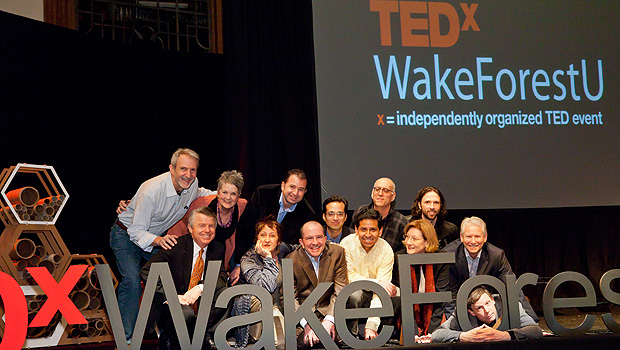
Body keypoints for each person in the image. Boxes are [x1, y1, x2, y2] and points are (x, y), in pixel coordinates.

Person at [110, 148, 215, 342]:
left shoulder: (192, 184)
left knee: (172, 275)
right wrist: (158, 241)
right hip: (126, 234)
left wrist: (226, 195)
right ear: (171, 169)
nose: (188, 175)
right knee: (132, 281)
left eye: (193, 170)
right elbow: (136, 231)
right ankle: (125, 339)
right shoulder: (151, 191)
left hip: (154, 237)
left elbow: (202, 193)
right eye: (183, 169)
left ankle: (163, 330)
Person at [140, 207, 228, 350]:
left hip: (201, 303)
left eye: (211, 226)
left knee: (225, 294)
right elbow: (146, 271)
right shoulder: (175, 245)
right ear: (190, 229)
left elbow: (221, 277)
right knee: (185, 315)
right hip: (173, 304)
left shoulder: (217, 248)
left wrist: (200, 288)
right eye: (201, 225)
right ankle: (174, 339)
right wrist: (173, 296)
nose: (207, 230)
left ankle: (206, 338)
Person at [446, 217, 538, 321]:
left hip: (485, 308)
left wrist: (532, 321)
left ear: (485, 237)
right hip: (459, 305)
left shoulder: (496, 255)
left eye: (477, 236)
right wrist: (453, 324)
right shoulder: (449, 254)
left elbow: (512, 287)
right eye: (468, 236)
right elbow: (450, 294)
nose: (473, 241)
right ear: (461, 237)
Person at [231, 169, 315, 284]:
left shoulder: (307, 214)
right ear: (283, 185)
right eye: (292, 187)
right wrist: (238, 264)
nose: (295, 193)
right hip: (250, 251)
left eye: (300, 190)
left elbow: (294, 247)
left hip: (280, 257)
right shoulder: (263, 194)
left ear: (305, 191)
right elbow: (244, 229)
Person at [230, 216, 293, 348]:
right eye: (262, 235)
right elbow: (265, 288)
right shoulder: (248, 259)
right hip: (253, 308)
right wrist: (268, 258)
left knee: (286, 341)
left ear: (279, 240)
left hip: (277, 306)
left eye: (272, 235)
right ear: (256, 238)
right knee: (278, 341)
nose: (267, 239)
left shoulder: (283, 250)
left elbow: (300, 246)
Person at [167, 170, 247, 272]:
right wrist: (175, 247)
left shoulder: (242, 206)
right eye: (224, 192)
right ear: (218, 192)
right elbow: (180, 221)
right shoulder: (202, 203)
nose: (228, 197)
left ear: (239, 194)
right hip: (195, 250)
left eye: (233, 194)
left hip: (221, 253)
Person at [287, 221, 348, 348]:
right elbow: (289, 299)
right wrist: (308, 324)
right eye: (309, 238)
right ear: (301, 242)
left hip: (329, 311)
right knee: (303, 343)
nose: (315, 242)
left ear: (325, 239)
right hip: (304, 315)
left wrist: (330, 319)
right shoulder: (290, 260)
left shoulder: (338, 253)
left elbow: (341, 289)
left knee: (336, 340)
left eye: (319, 237)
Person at [340, 208, 396, 340]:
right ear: (356, 230)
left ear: (380, 231)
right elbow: (349, 278)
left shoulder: (386, 250)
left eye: (373, 230)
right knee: (354, 294)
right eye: (363, 229)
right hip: (354, 291)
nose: (368, 234)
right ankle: (349, 336)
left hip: (375, 296)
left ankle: (379, 334)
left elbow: (382, 291)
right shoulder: (346, 244)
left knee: (394, 293)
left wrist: (371, 325)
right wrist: (377, 283)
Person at [391, 220, 450, 343]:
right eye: (407, 237)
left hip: (434, 314)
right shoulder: (399, 258)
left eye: (414, 239)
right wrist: (413, 332)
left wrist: (431, 333)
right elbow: (404, 301)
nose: (408, 242)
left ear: (427, 242)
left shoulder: (441, 259)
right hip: (408, 315)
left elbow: (439, 299)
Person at [431, 286, 542, 343]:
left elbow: (535, 330)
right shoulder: (462, 313)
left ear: (492, 299)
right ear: (471, 312)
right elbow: (436, 334)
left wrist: (505, 335)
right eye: (479, 308)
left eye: (488, 303)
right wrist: (463, 336)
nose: (487, 310)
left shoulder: (509, 305)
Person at [350, 177, 407, 252]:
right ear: (372, 193)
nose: (380, 194)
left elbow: (404, 250)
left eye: (385, 191)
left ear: (393, 196)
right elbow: (351, 238)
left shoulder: (400, 221)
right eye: (377, 189)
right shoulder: (360, 212)